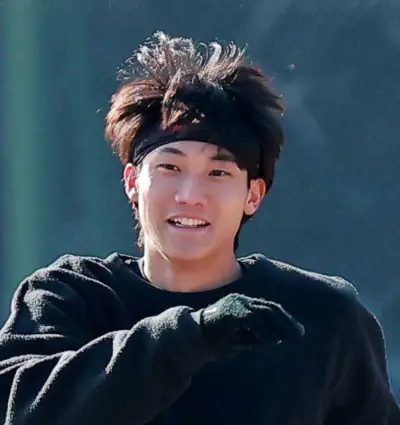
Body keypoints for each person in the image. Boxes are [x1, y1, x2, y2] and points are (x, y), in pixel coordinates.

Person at [0, 31, 399, 425]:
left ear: (253, 195)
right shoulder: (67, 299)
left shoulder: (322, 315)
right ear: (132, 182)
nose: (190, 195)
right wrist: (193, 335)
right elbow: (24, 413)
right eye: (170, 167)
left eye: (218, 172)